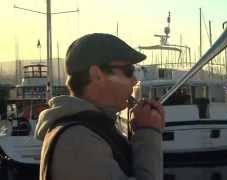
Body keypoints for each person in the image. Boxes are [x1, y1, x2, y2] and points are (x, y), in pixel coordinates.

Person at [35, 33, 165, 180]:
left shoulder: (89, 129)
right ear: (97, 74)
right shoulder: (78, 140)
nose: (135, 80)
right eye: (129, 71)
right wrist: (148, 132)